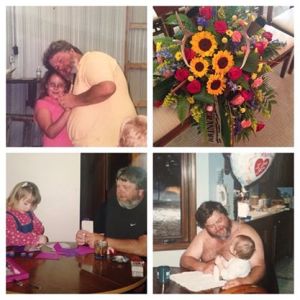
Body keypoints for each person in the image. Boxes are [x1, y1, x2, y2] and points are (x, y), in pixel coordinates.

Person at [42, 40, 137, 146]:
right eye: (56, 67)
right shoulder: (78, 75)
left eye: (60, 60)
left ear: (71, 51)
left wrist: (75, 100)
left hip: (108, 144)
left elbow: (107, 87)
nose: (60, 67)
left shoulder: (93, 59)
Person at [180, 201, 265, 289]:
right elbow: (185, 259)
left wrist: (244, 281)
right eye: (211, 226)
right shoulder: (203, 236)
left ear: (225, 214)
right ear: (205, 227)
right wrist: (203, 266)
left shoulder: (247, 233)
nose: (217, 227)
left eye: (219, 220)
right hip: (211, 287)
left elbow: (259, 266)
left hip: (240, 288)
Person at [76, 166, 147, 257]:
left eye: (125, 187)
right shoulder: (108, 206)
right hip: (110, 263)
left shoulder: (149, 209)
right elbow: (96, 234)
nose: (120, 191)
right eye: (118, 186)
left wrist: (104, 241)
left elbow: (144, 248)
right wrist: (84, 237)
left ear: (140, 191)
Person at [35, 70, 73, 147]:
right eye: (52, 84)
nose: (56, 87)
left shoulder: (67, 101)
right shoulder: (42, 103)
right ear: (46, 85)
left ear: (65, 87)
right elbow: (50, 133)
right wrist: (67, 111)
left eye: (60, 85)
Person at [6, 182, 48, 247]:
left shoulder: (28, 213)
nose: (28, 208)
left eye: (32, 204)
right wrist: (35, 239)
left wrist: (39, 231)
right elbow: (11, 237)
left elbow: (38, 229)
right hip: (11, 252)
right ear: (15, 199)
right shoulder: (8, 216)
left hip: (26, 249)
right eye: (25, 203)